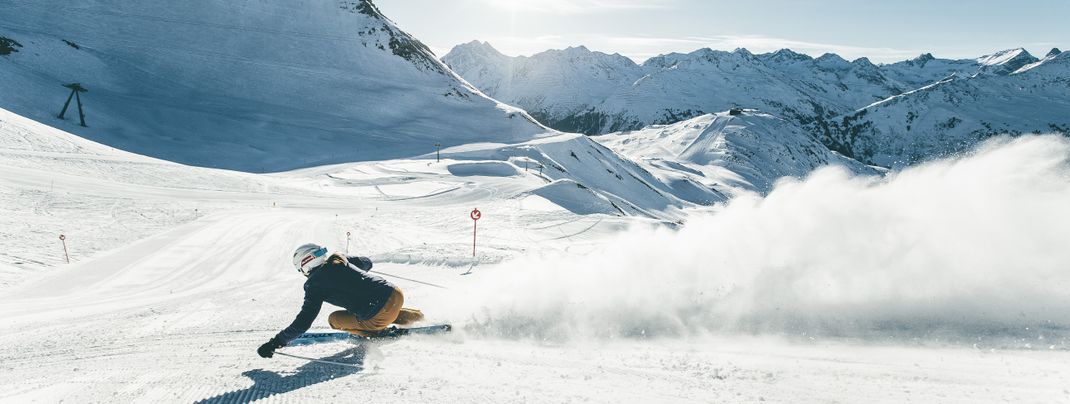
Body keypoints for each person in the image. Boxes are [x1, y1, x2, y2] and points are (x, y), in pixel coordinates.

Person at [257, 243, 424, 359]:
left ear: (305, 264)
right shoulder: (337, 260)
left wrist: (276, 342)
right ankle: (418, 317)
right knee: (376, 309)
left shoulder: (314, 284)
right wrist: (345, 260)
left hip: (378, 311)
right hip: (395, 293)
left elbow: (304, 322)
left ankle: (380, 333)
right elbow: (367, 262)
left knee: (335, 319)